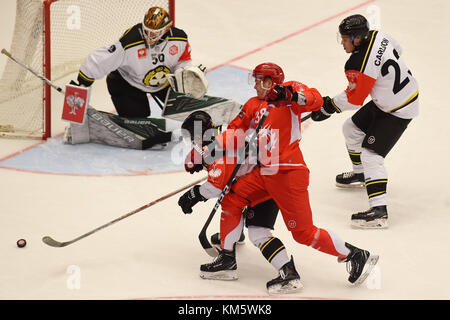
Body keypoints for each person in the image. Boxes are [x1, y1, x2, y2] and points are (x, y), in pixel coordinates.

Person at [188, 62, 379, 286]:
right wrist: (208, 153)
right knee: (232, 196)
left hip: (288, 171)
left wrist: (291, 96)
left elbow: (315, 99)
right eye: (255, 80)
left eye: (261, 81)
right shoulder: (252, 104)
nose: (256, 86)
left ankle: (356, 255)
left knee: (303, 233)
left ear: (272, 82)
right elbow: (233, 132)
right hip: (265, 172)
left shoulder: (289, 94)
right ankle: (227, 259)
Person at [311, 14, 419, 229]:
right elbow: (398, 50)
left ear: (357, 38)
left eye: (345, 39)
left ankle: (379, 212)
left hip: (398, 110)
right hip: (392, 100)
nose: (342, 43)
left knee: (371, 155)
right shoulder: (381, 36)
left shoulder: (357, 63)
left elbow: (355, 98)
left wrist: (328, 106)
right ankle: (361, 174)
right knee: (350, 129)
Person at [177, 111, 302, 294]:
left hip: (265, 185)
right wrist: (195, 161)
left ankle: (287, 273)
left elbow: (216, 187)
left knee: (256, 231)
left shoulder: (217, 147)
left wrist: (194, 194)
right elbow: (199, 158)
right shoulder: (217, 139)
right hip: (266, 180)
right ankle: (232, 239)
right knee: (233, 199)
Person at [73, 6, 192, 118]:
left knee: (188, 108)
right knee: (139, 119)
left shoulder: (179, 39)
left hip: (163, 83)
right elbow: (101, 59)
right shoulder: (130, 41)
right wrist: (82, 84)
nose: (149, 35)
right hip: (129, 83)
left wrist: (182, 71)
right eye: (147, 30)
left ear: (166, 29)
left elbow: (183, 60)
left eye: (154, 32)